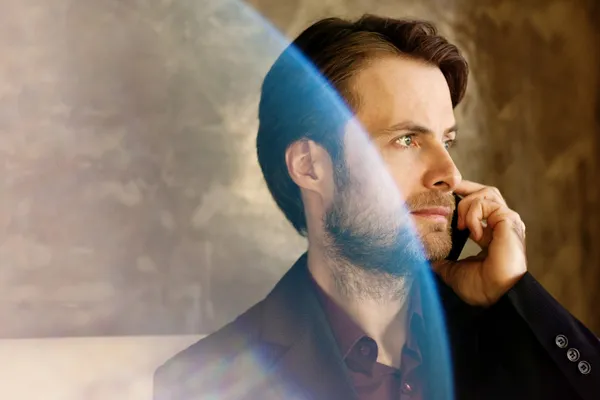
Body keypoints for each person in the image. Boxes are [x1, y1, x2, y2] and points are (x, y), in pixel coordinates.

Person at [153, 15, 600, 400]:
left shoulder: (515, 334)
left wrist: (514, 289)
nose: (448, 171)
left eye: (447, 141)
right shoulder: (202, 383)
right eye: (407, 139)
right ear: (310, 166)